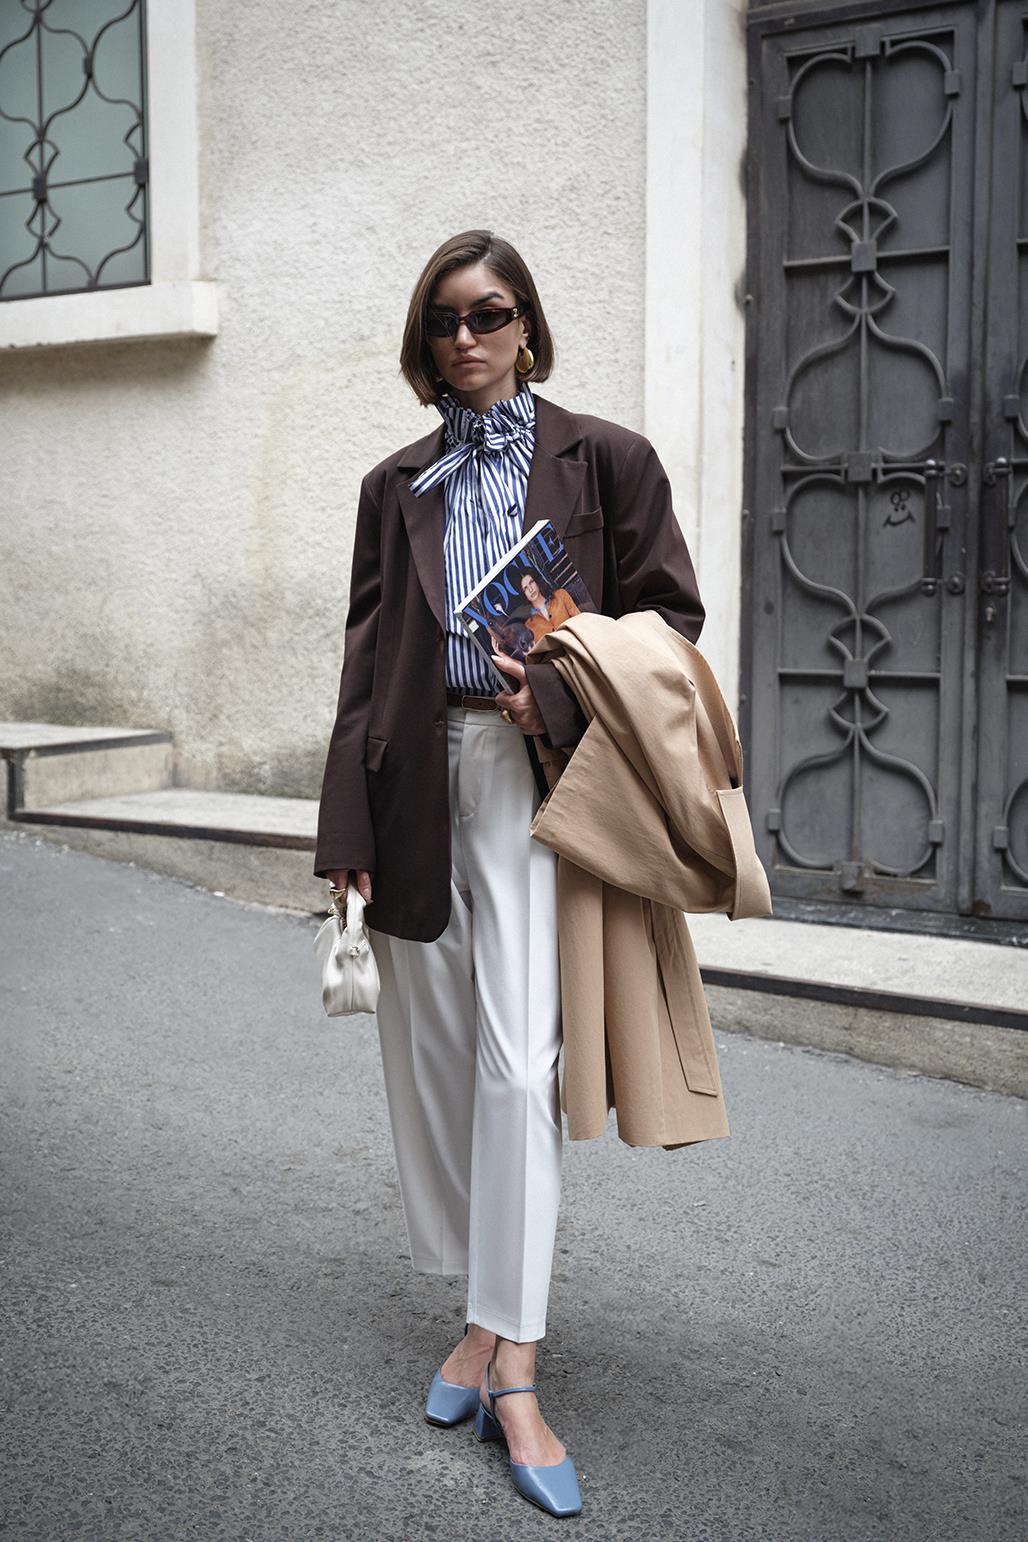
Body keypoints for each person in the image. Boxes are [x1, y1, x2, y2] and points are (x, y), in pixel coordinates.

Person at [314, 229, 705, 1518]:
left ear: (528, 325)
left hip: (533, 779)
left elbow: (670, 622)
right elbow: (367, 658)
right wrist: (345, 839)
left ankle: (516, 1367)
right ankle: (479, 1320)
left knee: (516, 1062)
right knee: (429, 1058)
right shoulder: (397, 484)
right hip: (412, 778)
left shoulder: (604, 460)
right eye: (444, 320)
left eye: (490, 314)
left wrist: (559, 687)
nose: (468, 336)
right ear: (425, 342)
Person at [517, 565, 581, 643]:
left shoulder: (560, 595)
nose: (530, 589)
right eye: (525, 588)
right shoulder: (528, 625)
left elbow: (580, 620)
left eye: (531, 582)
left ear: (537, 582)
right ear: (524, 594)